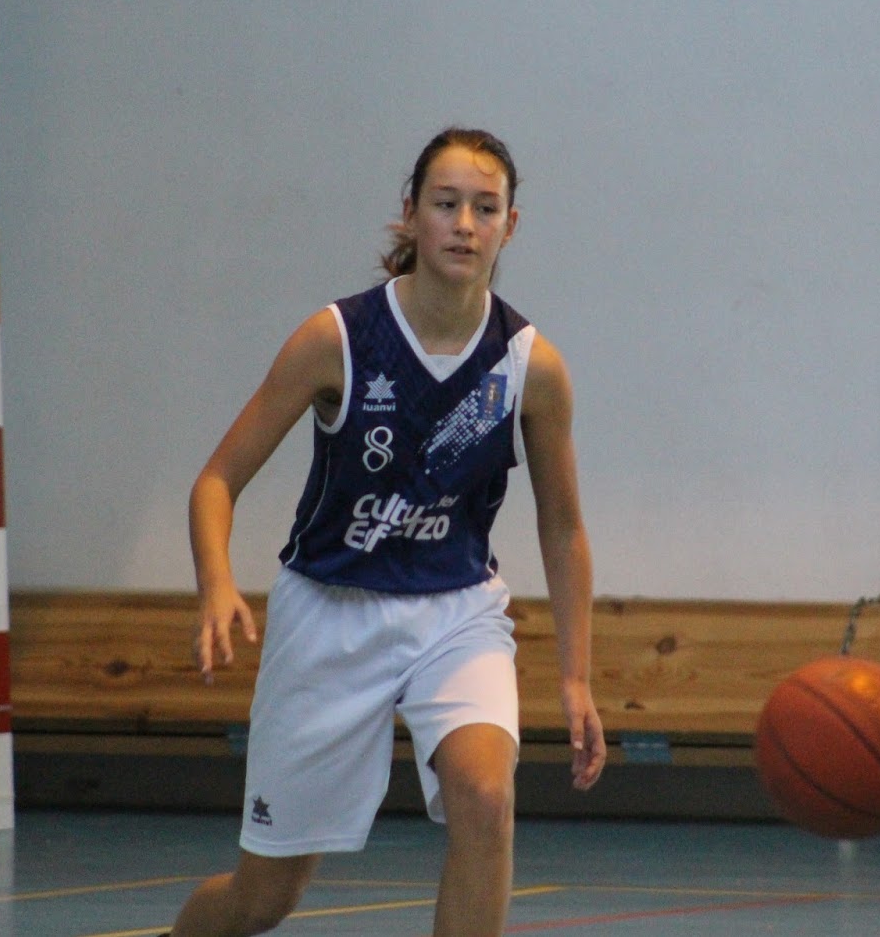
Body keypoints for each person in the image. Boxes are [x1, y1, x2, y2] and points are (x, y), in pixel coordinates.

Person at [166, 128, 606, 937]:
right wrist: (216, 585)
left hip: (456, 611)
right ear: (410, 214)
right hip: (330, 613)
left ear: (510, 226)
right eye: (446, 204)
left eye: (485, 208)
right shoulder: (337, 339)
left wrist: (576, 678)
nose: (465, 224)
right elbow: (215, 481)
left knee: (486, 796)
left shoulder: (528, 366)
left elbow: (564, 526)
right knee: (262, 900)